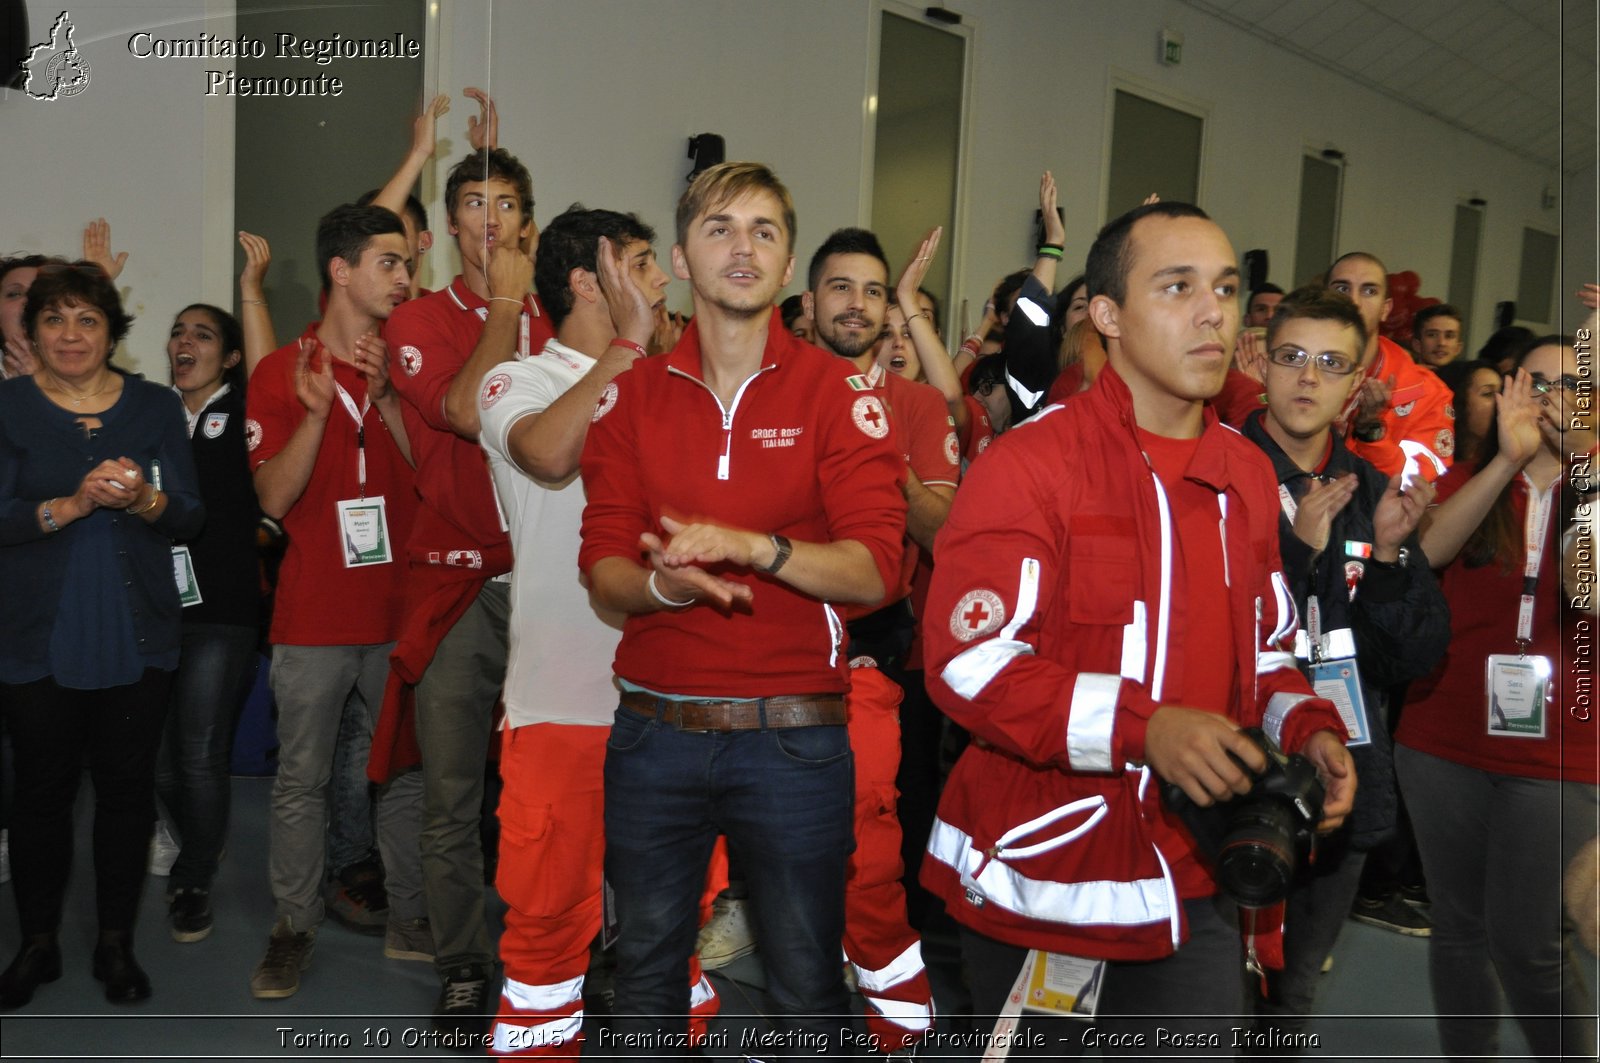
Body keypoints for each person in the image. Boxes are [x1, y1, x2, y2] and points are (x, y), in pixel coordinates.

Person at [920, 202, 1356, 1053]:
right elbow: (969, 667)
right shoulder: (1031, 465)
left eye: (1226, 289)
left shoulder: (1242, 472)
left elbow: (1266, 650)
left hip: (1193, 872)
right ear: (1109, 316)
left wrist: (1307, 727)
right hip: (1043, 880)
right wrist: (1144, 725)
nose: (1214, 312)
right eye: (1178, 286)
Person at [578, 161, 906, 1054]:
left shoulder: (838, 395)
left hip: (793, 739)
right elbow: (604, 563)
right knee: (644, 968)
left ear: (789, 261)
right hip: (654, 733)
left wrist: (756, 547)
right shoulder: (631, 398)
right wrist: (665, 586)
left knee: (804, 977)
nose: (744, 246)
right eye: (721, 227)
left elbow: (878, 568)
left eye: (765, 230)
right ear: (681, 256)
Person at [478, 205, 724, 1055]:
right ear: (590, 282)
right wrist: (629, 346)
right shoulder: (518, 381)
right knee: (547, 933)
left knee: (676, 931)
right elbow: (549, 454)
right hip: (561, 706)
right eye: (646, 264)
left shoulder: (676, 385)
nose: (663, 280)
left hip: (675, 699)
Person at [1237, 286, 1449, 1046]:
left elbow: (1415, 655)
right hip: (1226, 772)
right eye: (1291, 356)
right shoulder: (1212, 473)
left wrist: (1388, 556)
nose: (1306, 378)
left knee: (1292, 999)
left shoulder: (1370, 491)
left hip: (1340, 777)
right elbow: (1210, 632)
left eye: (1331, 364)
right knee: (1206, 992)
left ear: (1355, 385)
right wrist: (1296, 552)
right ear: (1259, 362)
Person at [379, 145, 553, 1036]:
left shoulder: (561, 316)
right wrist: (503, 307)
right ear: (449, 226)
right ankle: (461, 957)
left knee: (548, 783)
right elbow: (459, 408)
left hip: (554, 589)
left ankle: (551, 948)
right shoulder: (416, 319)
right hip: (458, 586)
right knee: (451, 790)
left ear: (527, 221)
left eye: (509, 204)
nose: (493, 219)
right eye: (475, 204)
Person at [0, 262, 204, 1007]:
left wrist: (147, 498)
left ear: (113, 330)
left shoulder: (153, 405)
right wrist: (71, 506)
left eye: (87, 319)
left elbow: (189, 514)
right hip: (35, 636)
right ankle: (38, 942)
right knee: (41, 794)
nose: (70, 334)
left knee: (125, 792)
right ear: (32, 332)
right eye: (54, 319)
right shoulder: (8, 407)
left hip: (136, 632)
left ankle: (115, 943)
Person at [245, 204, 426, 1000]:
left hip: (397, 616)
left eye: (407, 263)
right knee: (302, 781)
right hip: (313, 619)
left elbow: (434, 485)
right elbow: (273, 498)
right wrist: (318, 416)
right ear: (341, 270)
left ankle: (411, 916)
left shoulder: (409, 370)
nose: (406, 277)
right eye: (390, 262)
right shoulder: (280, 370)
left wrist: (388, 401)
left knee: (404, 776)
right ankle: (293, 926)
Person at [1400, 338, 1597, 1060]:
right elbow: (1428, 555)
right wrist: (1508, 461)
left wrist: (1588, 462)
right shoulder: (1469, 478)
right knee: (1457, 926)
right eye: (1536, 380)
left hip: (1562, 749)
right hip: (1442, 734)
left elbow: (1590, 590)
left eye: (1572, 381)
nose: (1551, 394)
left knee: (1529, 943)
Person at [157, 303, 263, 943]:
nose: (184, 342)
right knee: (158, 763)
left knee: (198, 752)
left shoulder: (248, 413)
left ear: (228, 357)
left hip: (222, 610)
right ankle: (201, 837)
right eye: (176, 332)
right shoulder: (148, 414)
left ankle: (192, 878)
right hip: (152, 611)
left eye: (202, 334)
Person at [1325, 252, 1455, 481]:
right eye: (1342, 289)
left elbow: (1420, 486)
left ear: (1386, 309)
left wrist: (1372, 433)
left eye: (1369, 291)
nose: (1353, 302)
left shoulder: (1427, 392)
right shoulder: (1293, 371)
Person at [1410, 303, 1464, 369]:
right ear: (1417, 345)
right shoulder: (1399, 377)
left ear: (1458, 348)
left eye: (1449, 336)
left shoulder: (1469, 378)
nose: (1441, 343)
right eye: (1432, 335)